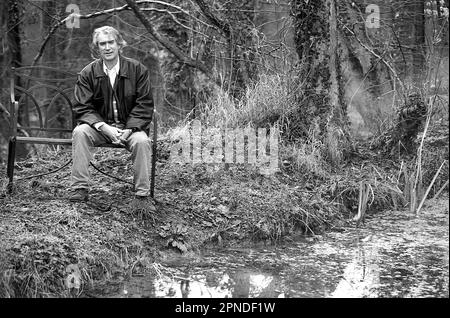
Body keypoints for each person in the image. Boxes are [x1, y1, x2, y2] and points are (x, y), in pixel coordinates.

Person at [69, 25, 155, 213]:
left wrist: (130, 128)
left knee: (142, 141)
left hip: (130, 128)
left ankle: (142, 195)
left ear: (119, 45)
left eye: (110, 43)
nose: (107, 47)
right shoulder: (88, 73)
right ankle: (79, 189)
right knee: (80, 131)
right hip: (100, 128)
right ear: (96, 47)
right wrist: (103, 127)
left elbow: (144, 103)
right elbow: (82, 106)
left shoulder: (137, 70)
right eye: (102, 44)